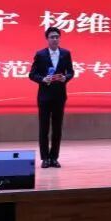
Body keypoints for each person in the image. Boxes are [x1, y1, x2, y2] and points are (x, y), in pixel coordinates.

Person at [28, 27, 74, 168]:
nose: (55, 39)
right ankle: (45, 158)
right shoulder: (40, 54)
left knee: (57, 127)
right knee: (44, 127)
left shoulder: (65, 54)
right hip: (44, 96)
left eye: (57, 37)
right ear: (47, 39)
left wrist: (65, 77)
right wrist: (43, 79)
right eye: (52, 37)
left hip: (60, 95)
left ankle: (54, 157)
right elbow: (32, 74)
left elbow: (71, 72)